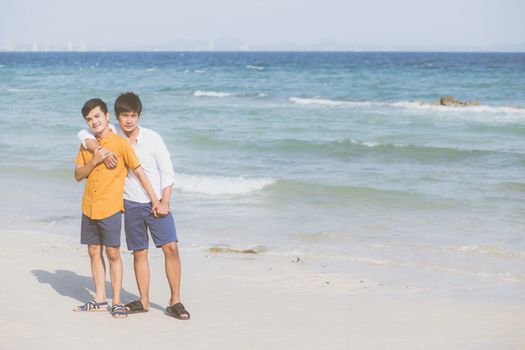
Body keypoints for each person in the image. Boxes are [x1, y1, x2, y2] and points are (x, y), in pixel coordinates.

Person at [77, 92, 190, 320]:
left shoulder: (152, 138)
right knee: (139, 253)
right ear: (115, 117)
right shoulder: (112, 133)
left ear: (139, 116)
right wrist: (96, 150)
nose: (128, 120)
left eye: (133, 115)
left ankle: (175, 301)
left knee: (171, 248)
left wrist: (163, 201)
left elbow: (167, 173)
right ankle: (144, 301)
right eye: (124, 116)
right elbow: (82, 132)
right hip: (128, 203)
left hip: (156, 202)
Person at [74, 98, 160, 319]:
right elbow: (77, 175)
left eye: (97, 116)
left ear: (107, 117)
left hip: (111, 207)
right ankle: (100, 299)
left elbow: (139, 172)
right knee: (93, 251)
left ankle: (117, 302)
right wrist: (96, 159)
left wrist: (155, 199)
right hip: (89, 206)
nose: (94, 121)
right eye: (89, 119)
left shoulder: (121, 144)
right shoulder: (86, 144)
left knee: (113, 253)